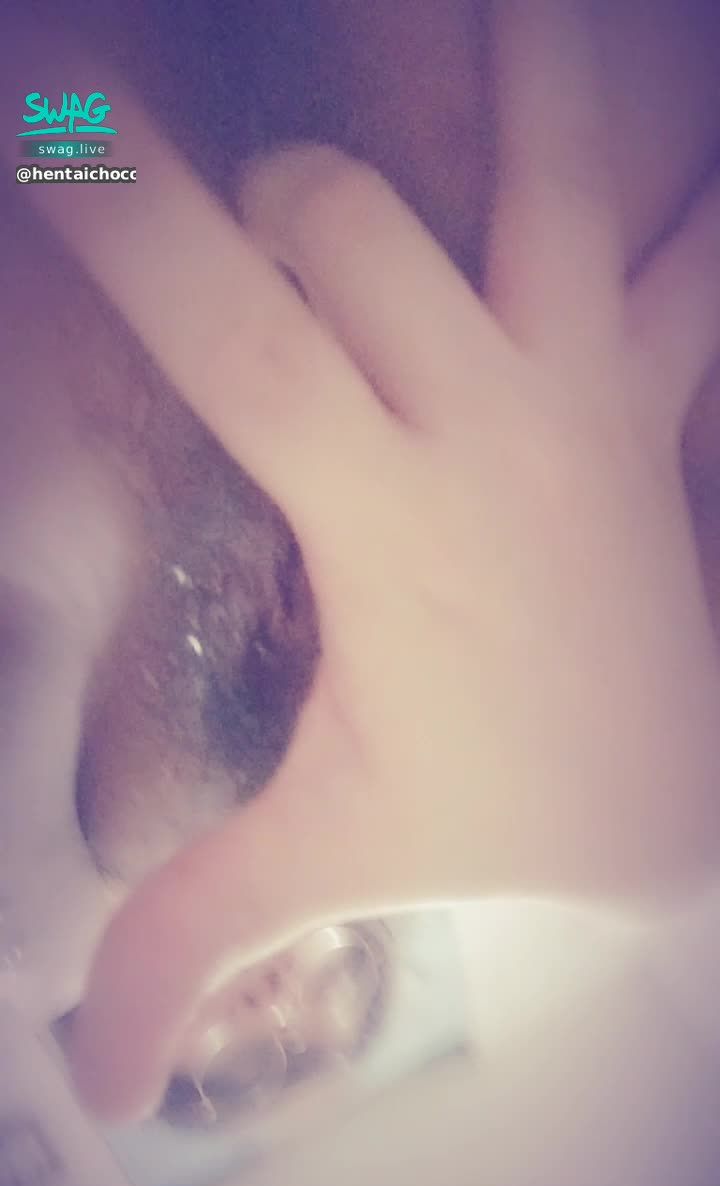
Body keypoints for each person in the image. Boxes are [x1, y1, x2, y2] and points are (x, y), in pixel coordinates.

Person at [2, 0, 720, 1127]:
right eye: (329, 997)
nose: (275, 1002)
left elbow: (59, 110)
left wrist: (41, 101)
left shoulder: (47, 903)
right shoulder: (559, 717)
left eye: (235, 1058)